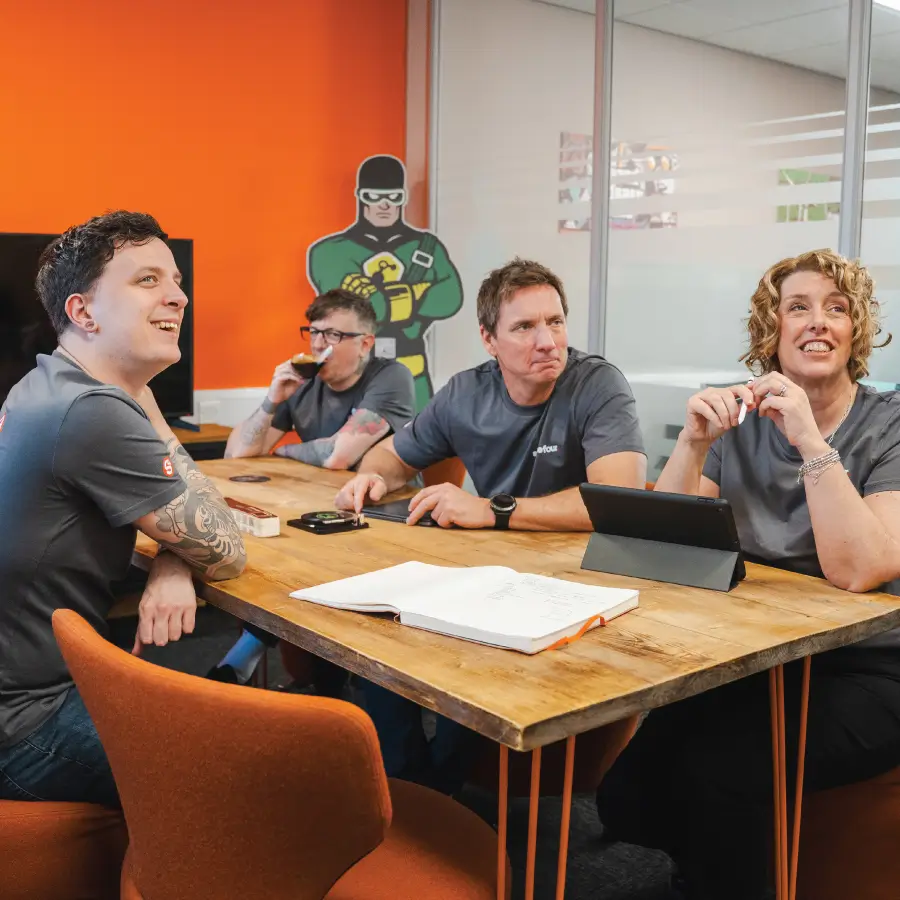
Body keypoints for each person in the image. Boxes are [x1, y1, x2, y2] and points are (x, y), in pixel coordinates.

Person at [596, 249, 900, 900]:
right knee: (624, 795)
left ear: (856, 330)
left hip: (871, 670)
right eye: (798, 308)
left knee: (720, 772)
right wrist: (693, 444)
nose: (818, 322)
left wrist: (810, 441)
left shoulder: (890, 424)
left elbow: (860, 569)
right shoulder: (742, 425)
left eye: (837, 308)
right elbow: (661, 550)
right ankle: (707, 860)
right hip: (756, 660)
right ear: (773, 330)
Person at [335, 257, 647, 792]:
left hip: (583, 586)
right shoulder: (464, 393)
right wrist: (372, 479)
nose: (547, 340)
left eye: (555, 322)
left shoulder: (598, 384)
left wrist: (494, 510)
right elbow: (392, 456)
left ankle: (440, 796)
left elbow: (617, 502)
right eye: (524, 327)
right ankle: (416, 793)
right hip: (495, 573)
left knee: (471, 667)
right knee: (376, 638)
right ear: (489, 339)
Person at [0, 211, 246, 808]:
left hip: (27, 688)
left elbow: (194, 542)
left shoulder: (41, 384)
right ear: (83, 314)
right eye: (147, 281)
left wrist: (171, 559)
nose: (178, 296)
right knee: (245, 779)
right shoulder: (93, 411)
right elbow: (227, 549)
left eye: (177, 279)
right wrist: (182, 551)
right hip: (26, 726)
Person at [212, 288, 415, 685]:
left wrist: (281, 455)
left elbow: (339, 454)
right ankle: (251, 666)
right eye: (314, 333)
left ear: (365, 344)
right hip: (317, 507)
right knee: (271, 556)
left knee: (299, 559)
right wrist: (273, 399)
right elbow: (237, 454)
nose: (320, 344)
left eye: (334, 336)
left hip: (384, 516)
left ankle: (254, 660)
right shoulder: (303, 383)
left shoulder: (391, 377)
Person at [307, 154, 464, 411]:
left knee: (421, 445)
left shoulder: (426, 247)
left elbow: (451, 297)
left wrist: (385, 299)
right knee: (353, 447)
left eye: (393, 197)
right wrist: (417, 293)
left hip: (413, 376)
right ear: (360, 196)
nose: (384, 205)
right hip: (353, 379)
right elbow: (361, 308)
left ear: (403, 198)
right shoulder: (329, 252)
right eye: (374, 196)